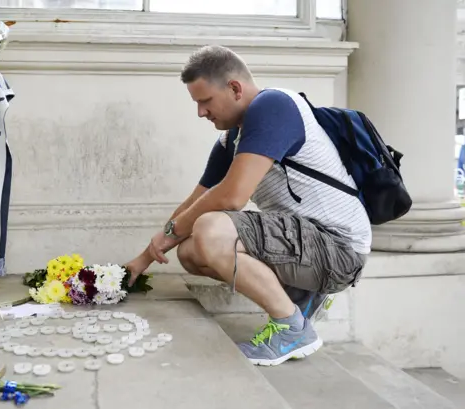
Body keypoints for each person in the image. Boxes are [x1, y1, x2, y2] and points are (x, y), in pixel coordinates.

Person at [125, 45, 371, 366]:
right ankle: (302, 297)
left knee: (209, 230)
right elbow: (196, 200)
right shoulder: (231, 140)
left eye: (205, 101)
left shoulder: (274, 107)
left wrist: (177, 229)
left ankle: (290, 329)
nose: (201, 112)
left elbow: (232, 197)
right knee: (190, 252)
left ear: (235, 88)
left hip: (339, 249)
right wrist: (142, 260)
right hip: (306, 245)